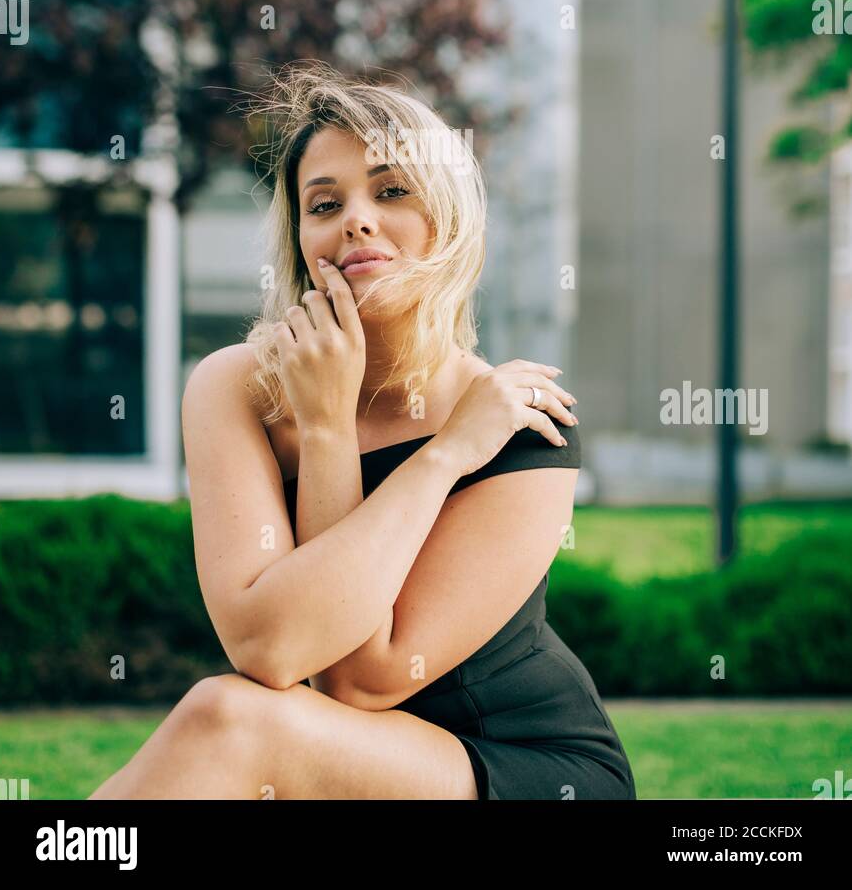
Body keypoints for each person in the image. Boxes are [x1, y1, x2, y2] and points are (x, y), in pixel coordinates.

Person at [89, 61, 636, 800]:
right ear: (300, 238)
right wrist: (332, 426)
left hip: (522, 767)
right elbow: (269, 648)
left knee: (230, 720)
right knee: (232, 717)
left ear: (445, 217)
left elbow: (356, 677)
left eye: (390, 191)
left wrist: (447, 451)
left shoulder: (522, 422)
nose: (356, 219)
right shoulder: (234, 389)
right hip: (342, 756)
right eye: (324, 203)